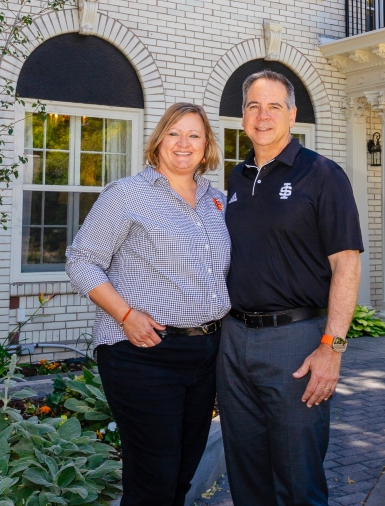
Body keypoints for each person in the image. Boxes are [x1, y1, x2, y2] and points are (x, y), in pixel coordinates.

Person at [66, 103, 230, 506]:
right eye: (174, 133)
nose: (183, 143)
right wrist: (125, 315)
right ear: (158, 141)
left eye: (194, 135)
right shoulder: (127, 194)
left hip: (205, 353)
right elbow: (81, 260)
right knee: (153, 481)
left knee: (182, 476)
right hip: (143, 352)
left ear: (207, 145)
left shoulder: (217, 201)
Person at [218, 70, 363, 506]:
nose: (263, 116)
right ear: (243, 115)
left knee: (299, 481)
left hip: (295, 343)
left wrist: (332, 348)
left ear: (292, 115)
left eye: (274, 106)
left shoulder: (322, 174)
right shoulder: (236, 178)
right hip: (234, 340)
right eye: (253, 106)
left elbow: (347, 265)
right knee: (246, 477)